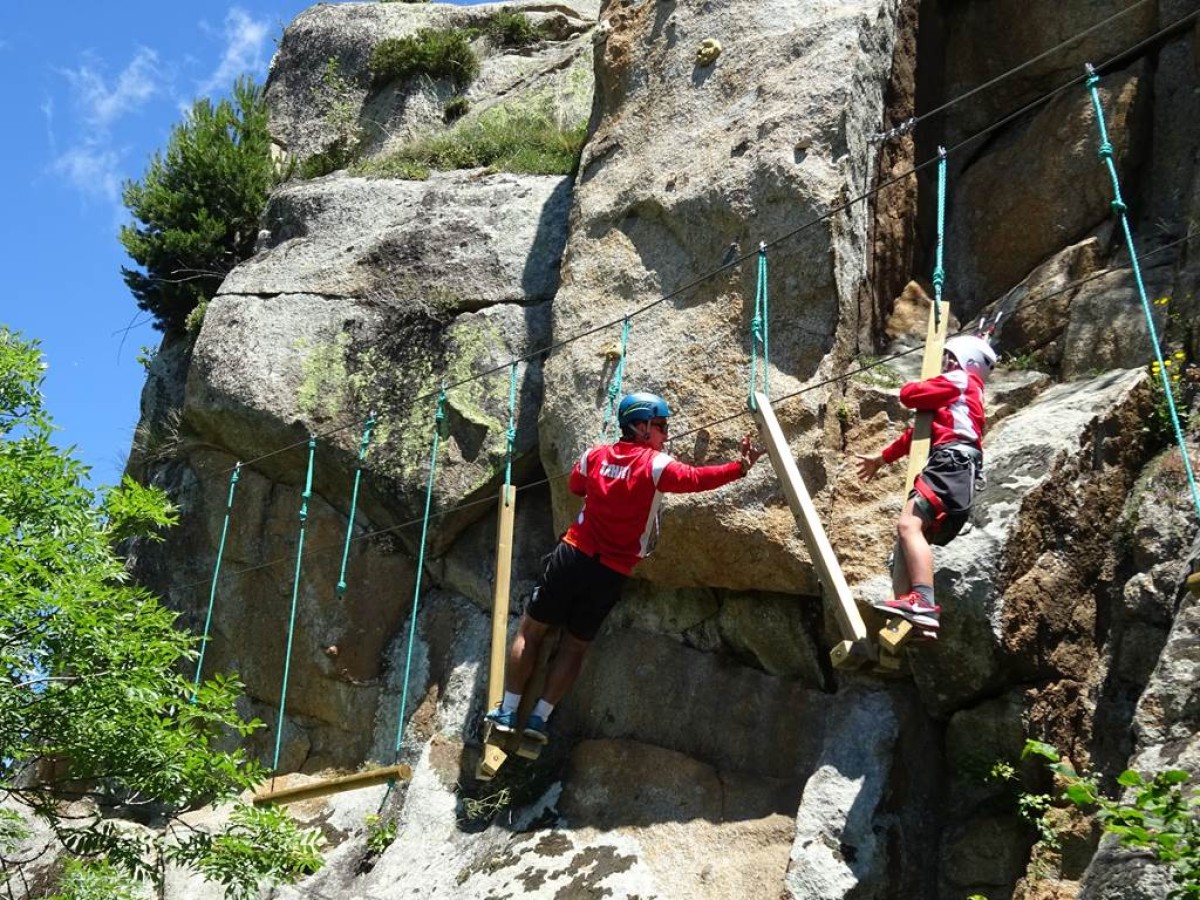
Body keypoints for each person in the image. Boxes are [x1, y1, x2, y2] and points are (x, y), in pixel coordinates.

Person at [484, 391, 765, 743]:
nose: (666, 434)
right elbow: (696, 479)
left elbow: (575, 485)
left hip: (572, 555)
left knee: (532, 630)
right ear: (642, 426)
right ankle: (539, 718)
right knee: (575, 646)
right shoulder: (657, 466)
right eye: (661, 426)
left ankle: (509, 710)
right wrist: (740, 467)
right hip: (610, 572)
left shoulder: (595, 456)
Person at [854, 334, 997, 637]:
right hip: (956, 467)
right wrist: (881, 459)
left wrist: (922, 384)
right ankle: (921, 618)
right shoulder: (963, 397)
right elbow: (917, 434)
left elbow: (910, 394)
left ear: (964, 362)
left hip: (951, 463)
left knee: (908, 525)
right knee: (913, 531)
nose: (945, 364)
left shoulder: (959, 380)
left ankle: (922, 603)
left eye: (949, 358)